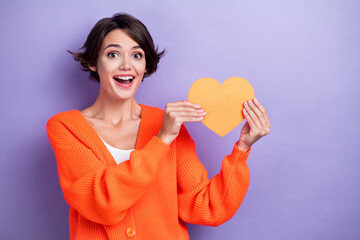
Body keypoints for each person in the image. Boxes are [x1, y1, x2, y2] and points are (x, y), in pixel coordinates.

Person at [46, 13, 270, 240]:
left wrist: (241, 149)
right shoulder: (65, 127)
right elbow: (102, 203)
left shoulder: (169, 124)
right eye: (113, 54)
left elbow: (204, 206)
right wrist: (161, 140)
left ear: (146, 66)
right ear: (94, 62)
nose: (126, 65)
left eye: (136, 55)